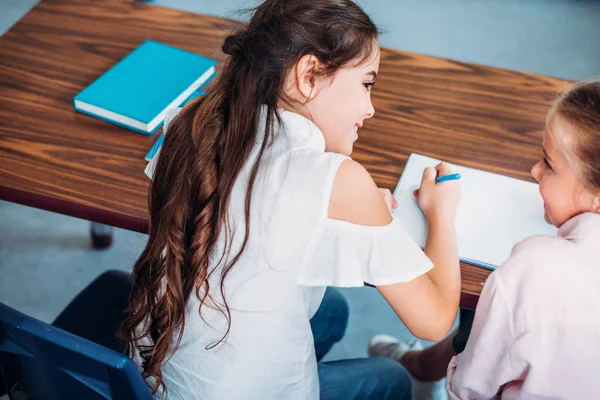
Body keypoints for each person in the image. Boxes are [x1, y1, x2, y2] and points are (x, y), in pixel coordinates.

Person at [119, 1, 463, 399]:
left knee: (333, 310)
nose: (370, 108)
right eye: (367, 84)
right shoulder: (341, 181)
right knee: (392, 378)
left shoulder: (190, 123)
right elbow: (435, 321)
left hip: (158, 376)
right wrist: (443, 214)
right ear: (308, 74)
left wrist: (357, 208)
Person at [368, 79, 600, 399]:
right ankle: (421, 365)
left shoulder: (535, 269)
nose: (534, 170)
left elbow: (469, 387)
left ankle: (417, 370)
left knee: (388, 377)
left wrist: (441, 217)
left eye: (548, 164)